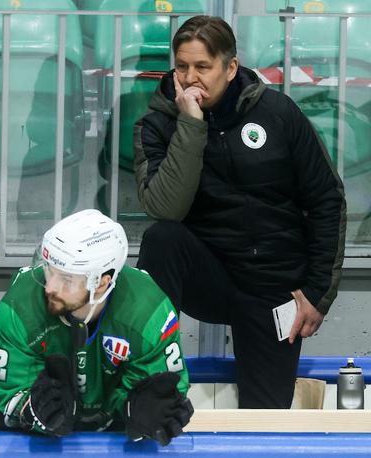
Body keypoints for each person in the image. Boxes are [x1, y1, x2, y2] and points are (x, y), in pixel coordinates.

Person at [133, 16, 346, 409]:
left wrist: (317, 293)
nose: (191, 77)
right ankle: (150, 374)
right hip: (209, 277)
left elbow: (326, 200)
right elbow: (166, 208)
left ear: (230, 68)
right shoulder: (158, 124)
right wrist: (190, 126)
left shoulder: (278, 113)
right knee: (162, 239)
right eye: (182, 66)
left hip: (272, 287)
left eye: (202, 67)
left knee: (266, 419)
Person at [0, 209, 193, 445]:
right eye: (49, 270)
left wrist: (138, 406)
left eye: (66, 279)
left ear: (101, 283)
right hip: (22, 432)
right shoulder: (19, 307)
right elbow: (8, 387)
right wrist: (29, 408)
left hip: (110, 426)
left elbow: (165, 387)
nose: (49, 287)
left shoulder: (148, 312)